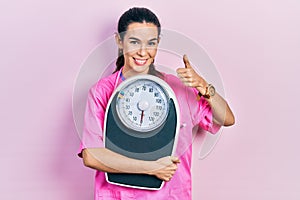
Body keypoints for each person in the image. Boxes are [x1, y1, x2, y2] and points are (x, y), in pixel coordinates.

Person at [78, 7, 235, 200]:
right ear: (119, 41)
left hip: (172, 195)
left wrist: (204, 86)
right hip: (118, 195)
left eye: (150, 43)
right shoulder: (102, 92)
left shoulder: (178, 87)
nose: (143, 52)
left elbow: (226, 118)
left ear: (158, 43)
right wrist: (151, 168)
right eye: (134, 42)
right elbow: (92, 156)